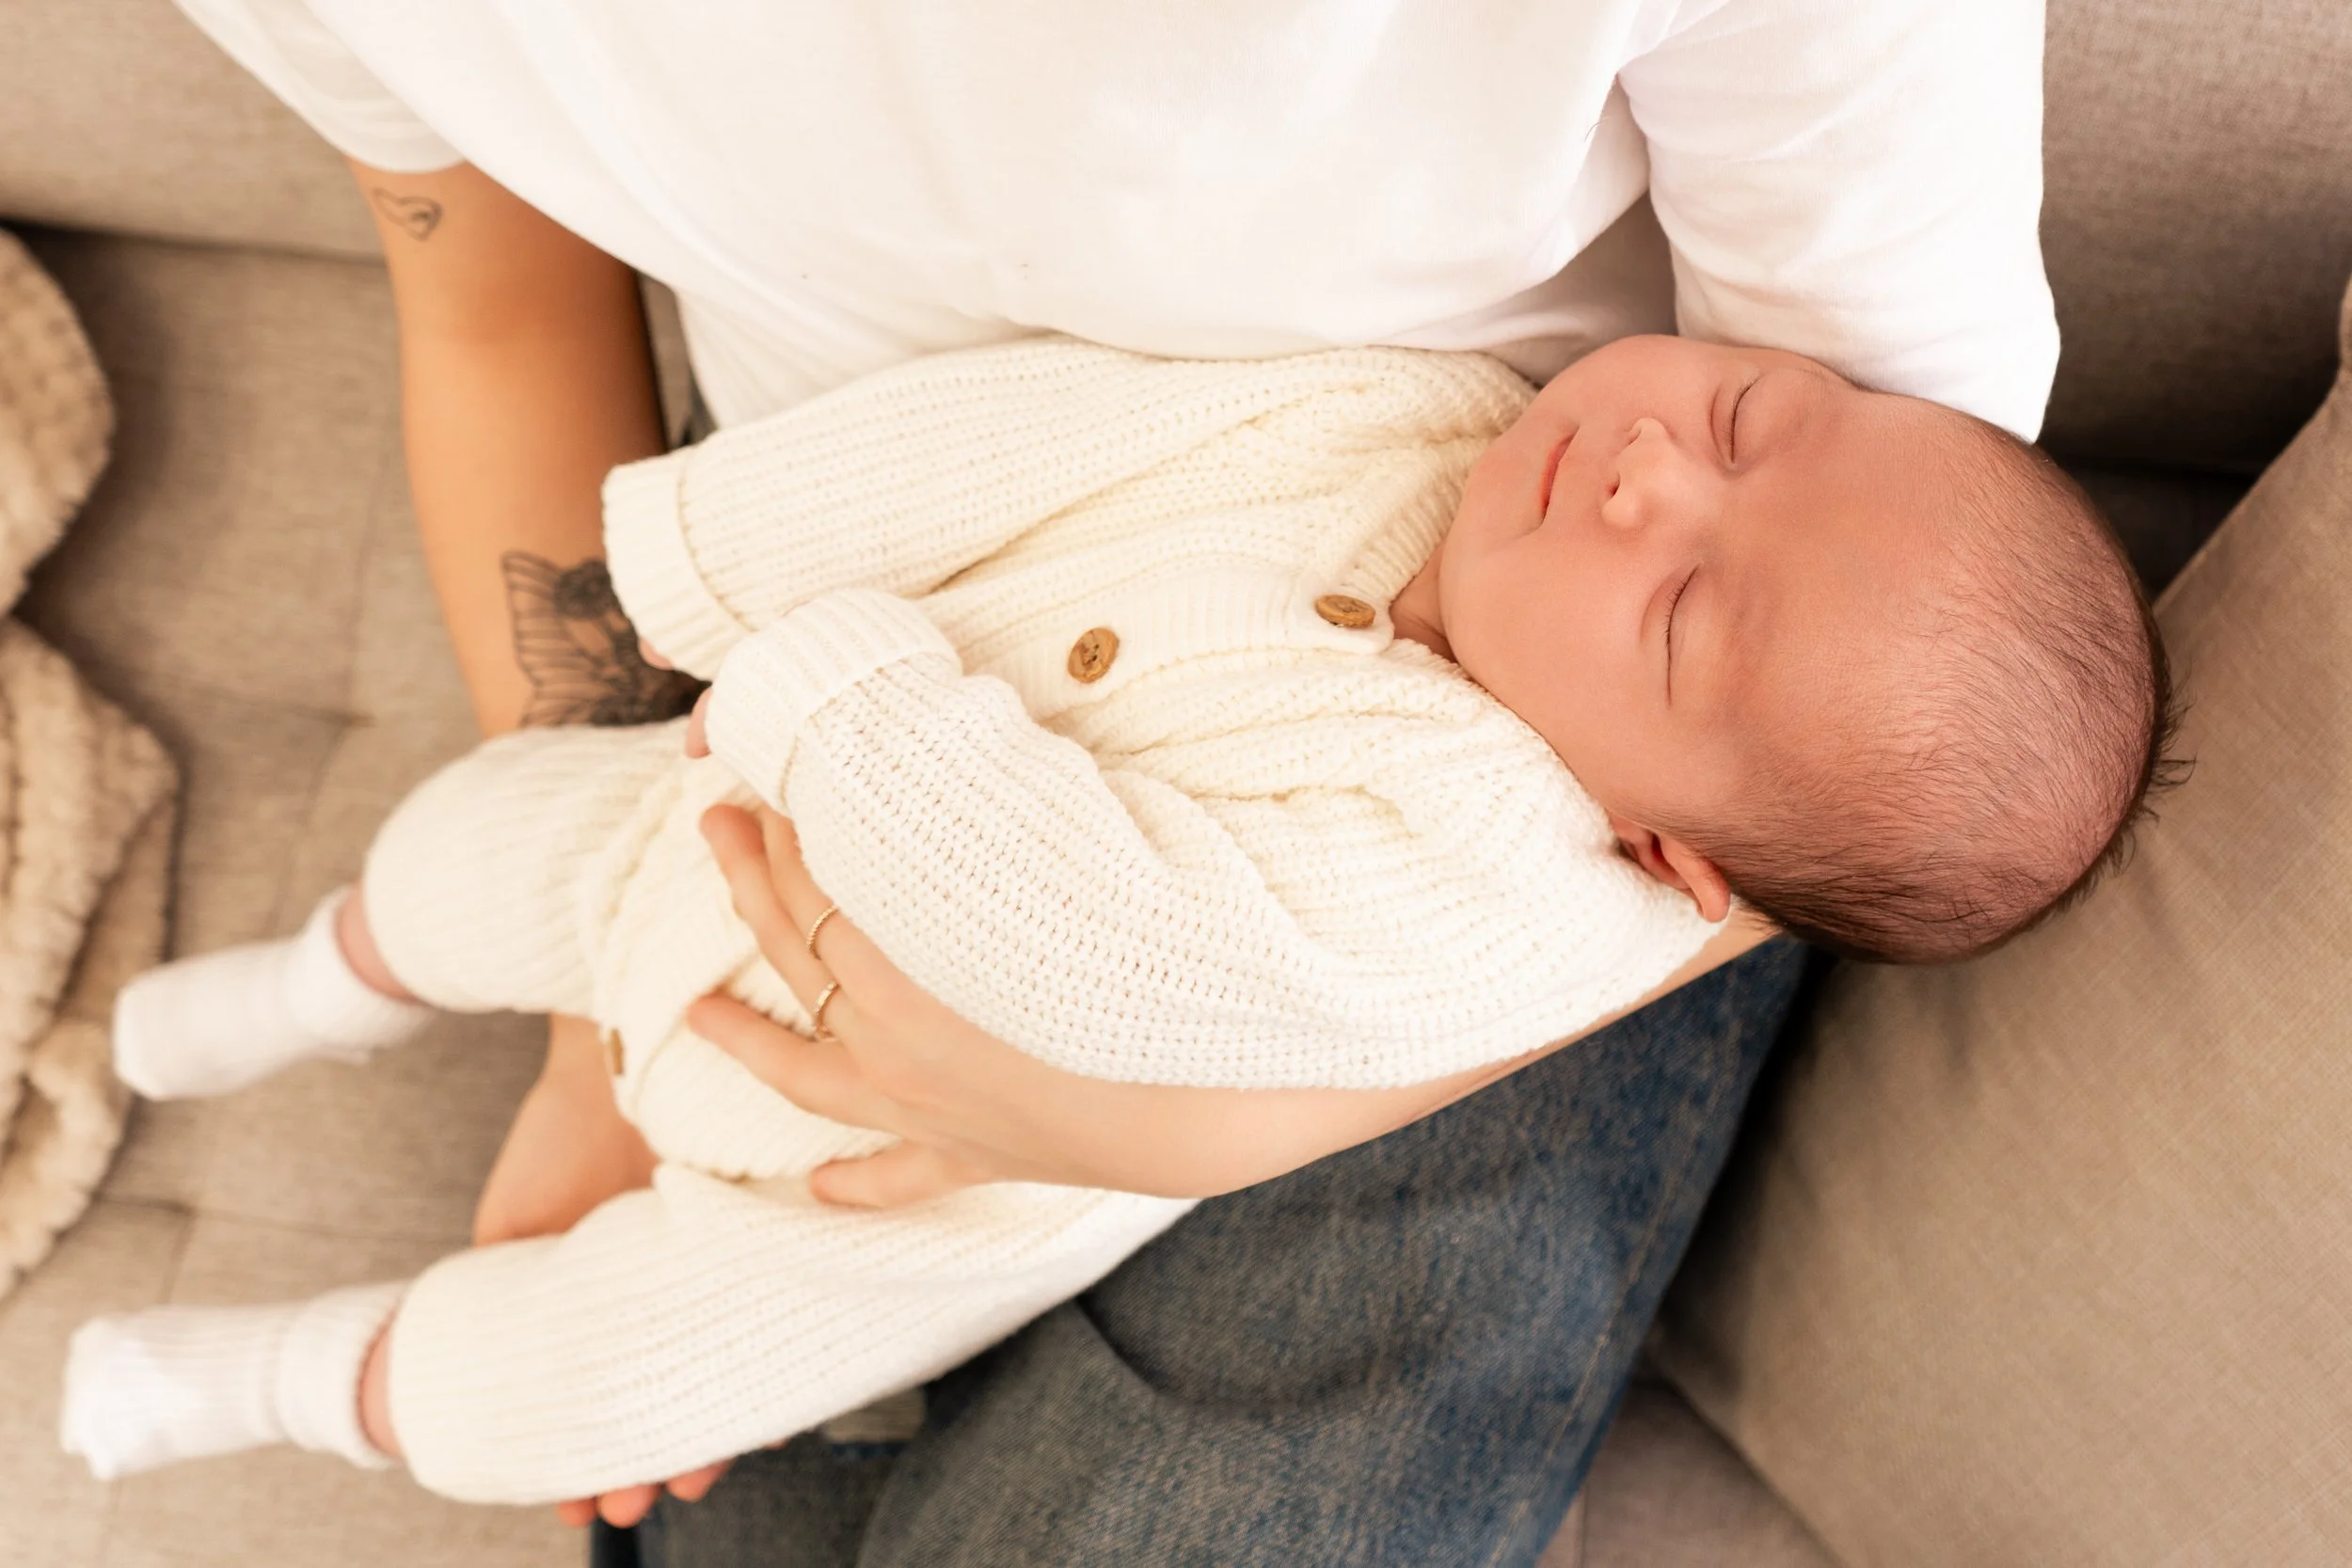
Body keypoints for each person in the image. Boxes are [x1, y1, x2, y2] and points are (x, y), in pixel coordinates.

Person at [158, 1, 2060, 1558]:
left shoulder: (1650, 722)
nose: (1658, 470)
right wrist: (600, 1008)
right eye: (1715, 427)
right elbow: (492, 307)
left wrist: (1213, 1121)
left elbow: (1856, 743)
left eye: (1705, 522)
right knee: (701, 1431)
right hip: (883, 617)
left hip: (1472, 917)